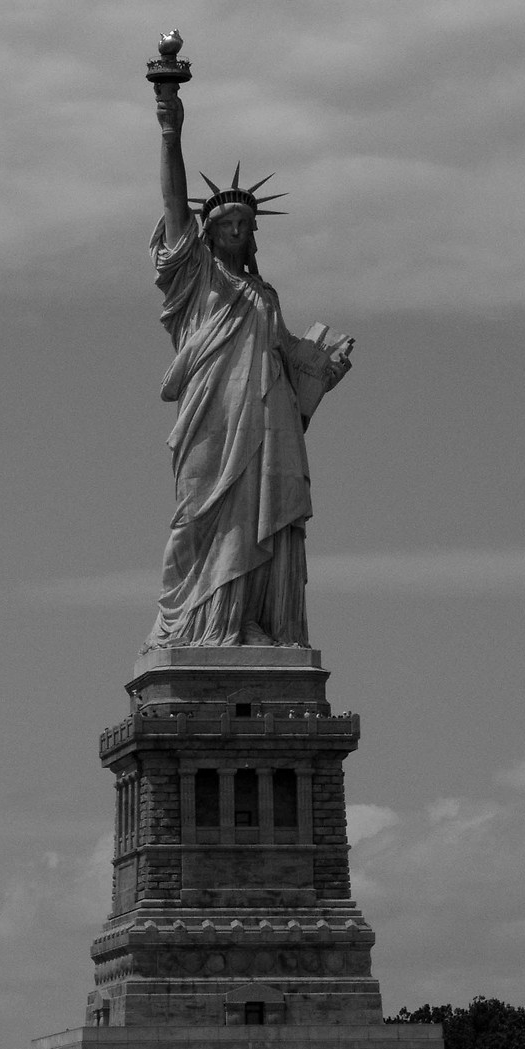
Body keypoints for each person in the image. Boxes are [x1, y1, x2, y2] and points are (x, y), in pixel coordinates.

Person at [146, 65, 353, 647]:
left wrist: (324, 366)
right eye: (225, 223)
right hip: (213, 412)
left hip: (267, 419)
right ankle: (195, 623)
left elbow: (285, 355)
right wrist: (170, 128)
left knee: (262, 511)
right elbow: (172, 206)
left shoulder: (264, 294)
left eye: (244, 223)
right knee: (199, 514)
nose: (235, 230)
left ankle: (244, 622)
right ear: (207, 235)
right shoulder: (198, 278)